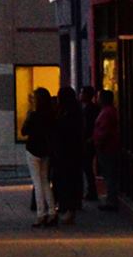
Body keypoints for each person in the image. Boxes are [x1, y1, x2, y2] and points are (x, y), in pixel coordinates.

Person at [50, 85, 87, 226]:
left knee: (66, 183)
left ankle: (69, 210)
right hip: (70, 154)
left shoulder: (69, 114)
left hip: (67, 154)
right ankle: (68, 209)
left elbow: (63, 132)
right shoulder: (73, 112)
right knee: (68, 182)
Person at [20, 87, 55, 226]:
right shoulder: (51, 115)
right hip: (45, 151)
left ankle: (41, 213)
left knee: (37, 182)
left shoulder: (33, 115)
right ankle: (52, 211)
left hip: (33, 150)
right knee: (45, 181)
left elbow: (24, 131)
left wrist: (28, 116)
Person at [87, 86, 120, 211]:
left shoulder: (107, 112)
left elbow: (104, 130)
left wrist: (97, 142)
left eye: (99, 97)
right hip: (106, 146)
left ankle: (111, 201)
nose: (97, 99)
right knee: (109, 174)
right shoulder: (108, 111)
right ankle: (110, 199)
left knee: (109, 174)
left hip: (107, 148)